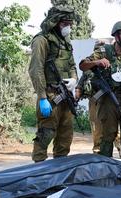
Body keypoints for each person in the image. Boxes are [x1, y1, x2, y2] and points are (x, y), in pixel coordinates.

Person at [79, 21, 121, 167]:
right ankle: (105, 166)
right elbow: (83, 65)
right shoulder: (104, 51)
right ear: (116, 36)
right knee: (108, 134)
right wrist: (97, 62)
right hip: (108, 99)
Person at [28, 5, 77, 162]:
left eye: (70, 23)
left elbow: (71, 65)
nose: (68, 27)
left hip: (66, 97)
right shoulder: (41, 40)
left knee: (65, 137)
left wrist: (74, 79)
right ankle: (38, 170)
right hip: (49, 96)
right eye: (65, 23)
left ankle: (59, 172)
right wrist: (42, 97)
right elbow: (36, 70)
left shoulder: (65, 42)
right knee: (45, 135)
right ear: (55, 22)